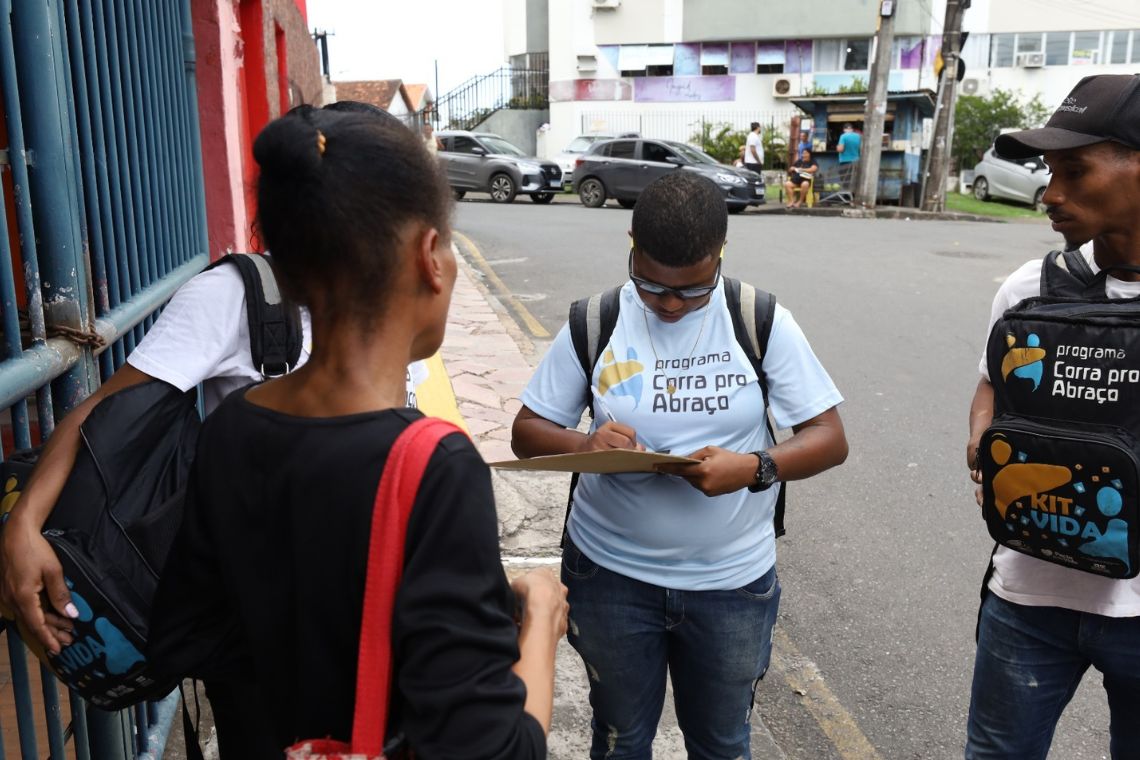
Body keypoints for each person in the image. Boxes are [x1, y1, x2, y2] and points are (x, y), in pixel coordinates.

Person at [147, 105, 568, 757]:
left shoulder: (230, 427)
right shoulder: (434, 464)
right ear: (430, 256)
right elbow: (498, 749)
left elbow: (186, 633)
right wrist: (539, 615)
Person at [0, 101, 427, 656]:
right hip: (256, 619)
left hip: (369, 599)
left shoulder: (396, 300)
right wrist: (24, 525)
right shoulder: (235, 296)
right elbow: (101, 412)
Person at [511, 171, 848, 759]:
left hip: (731, 587)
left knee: (721, 744)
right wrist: (585, 448)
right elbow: (524, 433)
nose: (670, 304)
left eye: (692, 290)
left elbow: (828, 436)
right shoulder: (596, 321)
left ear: (720, 255)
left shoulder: (759, 319)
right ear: (631, 248)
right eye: (652, 285)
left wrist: (754, 468)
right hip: (610, 578)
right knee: (619, 741)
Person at [964, 73, 1140, 759]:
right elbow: (989, 386)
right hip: (1029, 596)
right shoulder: (1031, 287)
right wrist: (979, 435)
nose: (1051, 193)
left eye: (1075, 170)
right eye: (1048, 171)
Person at [837, 122, 861, 187]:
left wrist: (837, 147)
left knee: (845, 179)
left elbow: (841, 149)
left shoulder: (843, 136)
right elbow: (861, 148)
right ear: (852, 129)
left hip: (845, 161)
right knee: (854, 178)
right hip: (856, 161)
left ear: (844, 129)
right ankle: (853, 193)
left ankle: (847, 194)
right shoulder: (858, 136)